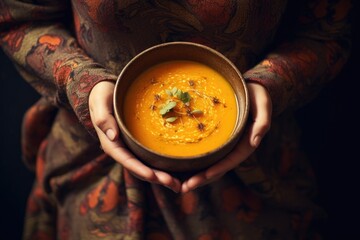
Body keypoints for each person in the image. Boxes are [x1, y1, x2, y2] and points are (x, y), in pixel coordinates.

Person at [0, 0, 352, 239]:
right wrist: (82, 81)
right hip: (92, 163)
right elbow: (18, 17)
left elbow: (326, 32)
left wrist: (272, 84)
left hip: (259, 168)